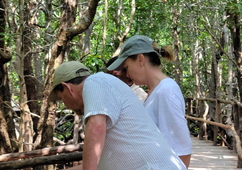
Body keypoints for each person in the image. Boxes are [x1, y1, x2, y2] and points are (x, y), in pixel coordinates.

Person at [49, 61, 187, 170]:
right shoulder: (104, 94)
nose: (66, 106)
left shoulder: (94, 82)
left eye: (61, 98)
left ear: (67, 87)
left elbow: (96, 128)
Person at [107, 35, 192, 168]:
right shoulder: (154, 91)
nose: (127, 73)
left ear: (140, 59)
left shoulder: (166, 90)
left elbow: (182, 149)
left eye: (127, 66)